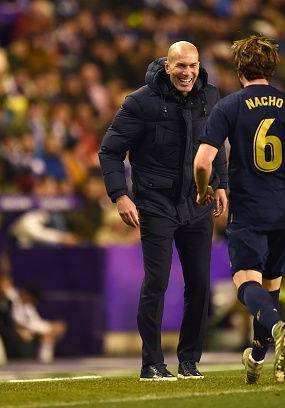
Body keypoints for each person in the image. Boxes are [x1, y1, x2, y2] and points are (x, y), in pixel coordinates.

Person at [193, 35, 285, 384]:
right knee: (271, 288)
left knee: (246, 283)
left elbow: (203, 161)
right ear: (274, 68)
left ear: (238, 68)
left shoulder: (229, 106)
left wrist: (203, 190)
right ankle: (259, 358)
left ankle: (278, 329)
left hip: (249, 209)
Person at [98, 41, 228, 381]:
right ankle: (151, 363)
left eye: (193, 66)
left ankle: (189, 361)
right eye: (181, 66)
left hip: (197, 201)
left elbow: (216, 146)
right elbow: (109, 151)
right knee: (157, 282)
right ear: (167, 67)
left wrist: (223, 183)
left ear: (200, 66)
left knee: (200, 284)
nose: (187, 72)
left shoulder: (211, 97)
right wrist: (120, 196)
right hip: (155, 202)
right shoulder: (140, 102)